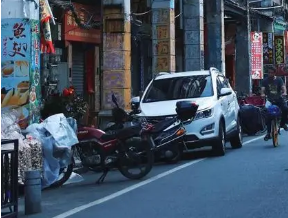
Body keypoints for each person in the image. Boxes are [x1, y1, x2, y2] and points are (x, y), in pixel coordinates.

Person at [261, 66, 288, 141]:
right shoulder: (265, 81)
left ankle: (282, 124)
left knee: (285, 109)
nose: (270, 74)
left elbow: (283, 87)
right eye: (269, 72)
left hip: (279, 99)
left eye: (271, 73)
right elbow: (263, 89)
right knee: (267, 113)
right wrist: (262, 94)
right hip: (269, 100)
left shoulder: (279, 80)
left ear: (274, 73)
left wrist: (284, 92)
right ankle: (268, 133)